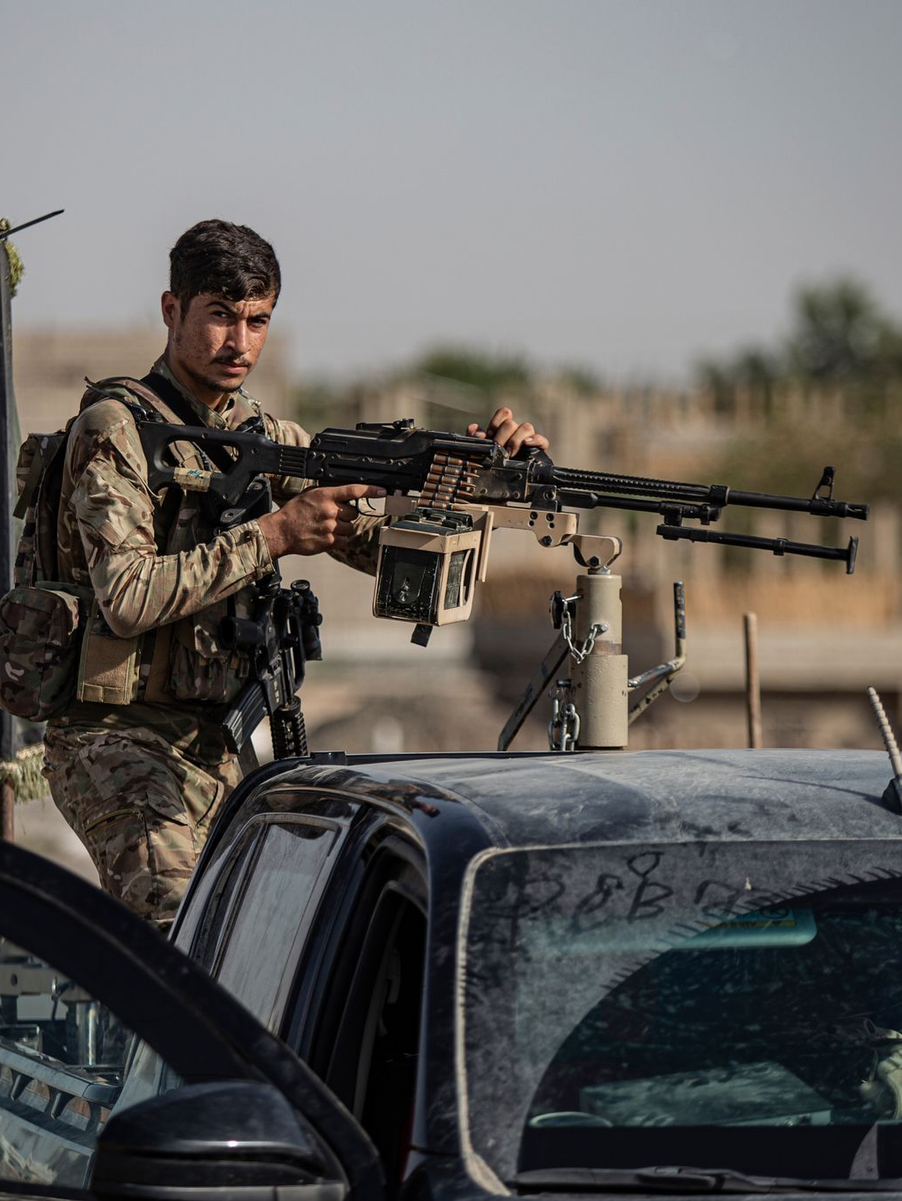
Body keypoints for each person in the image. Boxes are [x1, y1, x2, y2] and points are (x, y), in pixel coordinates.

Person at [43, 219, 548, 931]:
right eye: (220, 315)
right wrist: (276, 533)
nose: (239, 342)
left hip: (216, 744)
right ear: (171, 310)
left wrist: (466, 483)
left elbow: (381, 551)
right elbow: (126, 597)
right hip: (115, 738)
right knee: (180, 933)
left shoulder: (263, 437)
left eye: (257, 321)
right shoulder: (114, 429)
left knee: (267, 938)